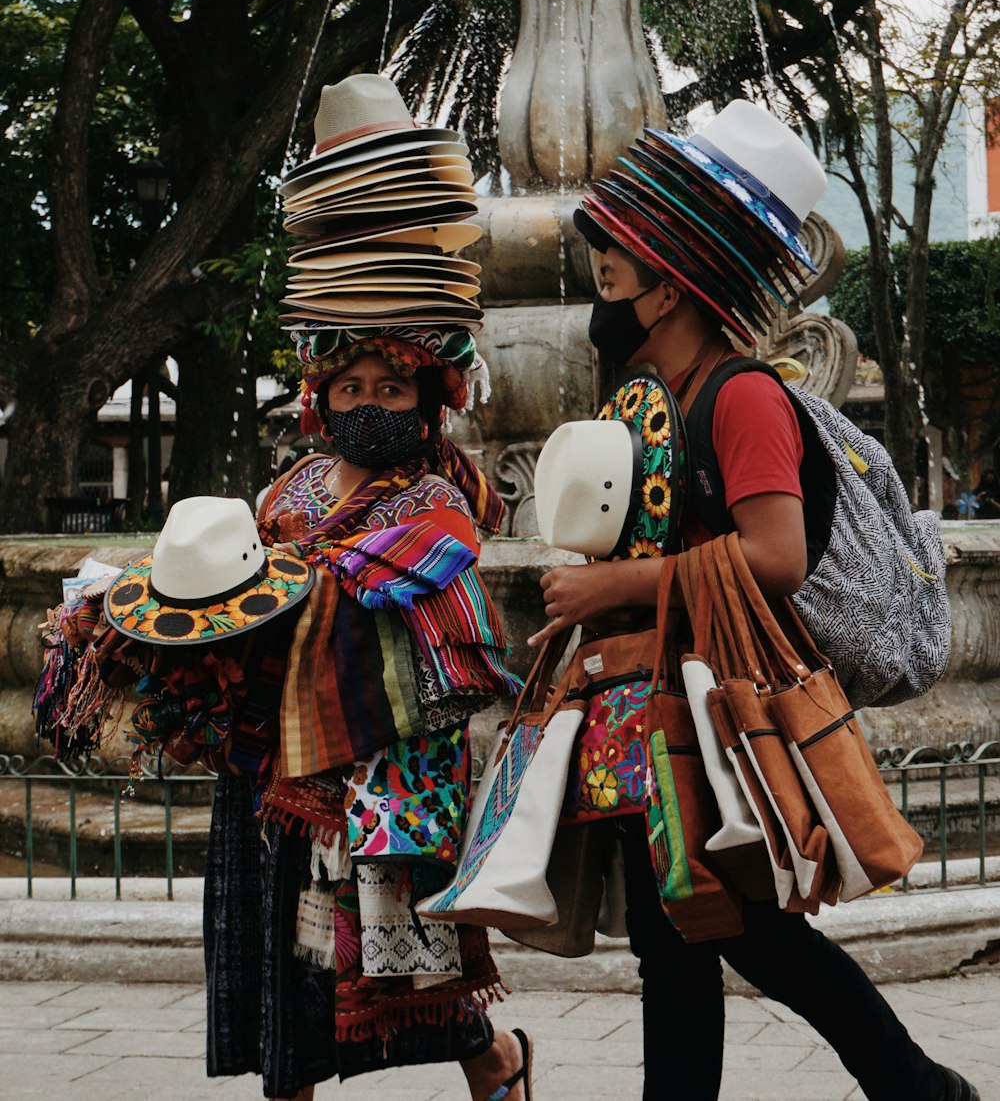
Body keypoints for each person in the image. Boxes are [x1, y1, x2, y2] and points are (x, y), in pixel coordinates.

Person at [530, 101, 978, 1101]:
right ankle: (915, 1089)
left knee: (734, 935)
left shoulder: (741, 398)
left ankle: (918, 1088)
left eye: (615, 264)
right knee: (682, 936)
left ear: (665, 285)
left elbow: (774, 555)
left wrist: (615, 583)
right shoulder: (651, 397)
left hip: (718, 712)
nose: (600, 280)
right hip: (659, 711)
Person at [202, 329, 532, 1101]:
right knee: (287, 961)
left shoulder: (436, 504)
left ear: (425, 402)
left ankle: (495, 1061)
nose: (369, 405)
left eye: (390, 390)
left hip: (380, 768)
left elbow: (373, 594)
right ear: (323, 401)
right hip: (271, 760)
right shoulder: (289, 491)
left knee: (399, 961)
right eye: (350, 389)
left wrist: (291, 584)